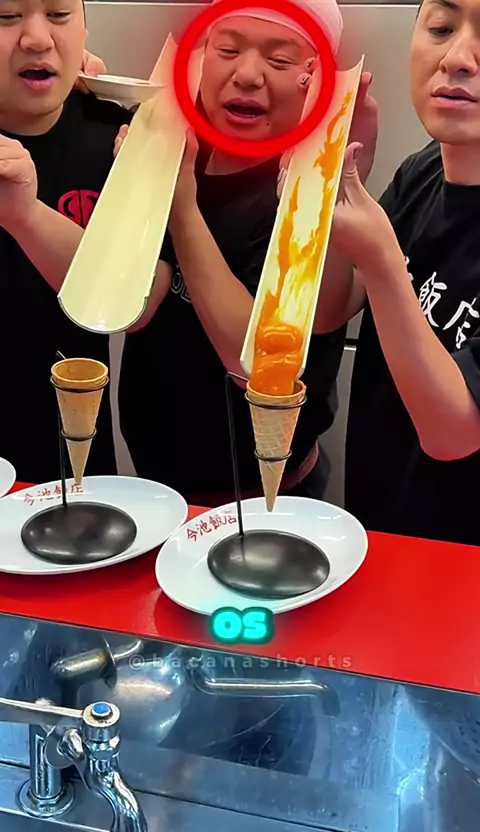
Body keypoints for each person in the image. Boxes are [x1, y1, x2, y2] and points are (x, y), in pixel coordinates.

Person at [118, 0, 349, 505]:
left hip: (265, 494)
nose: (246, 74)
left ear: (314, 79)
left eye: (279, 59)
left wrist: (182, 211)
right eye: (227, 50)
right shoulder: (175, 147)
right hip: (156, 481)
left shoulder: (311, 193)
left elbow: (257, 364)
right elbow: (138, 299)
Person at [305, 0, 480, 546]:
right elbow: (331, 308)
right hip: (383, 532)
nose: (457, 58)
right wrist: (336, 177)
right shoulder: (421, 171)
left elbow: (453, 432)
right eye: (441, 28)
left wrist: (382, 261)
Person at [0, 0, 141, 483]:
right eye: (6, 17)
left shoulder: (117, 136)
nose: (37, 38)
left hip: (76, 457)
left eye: (59, 15)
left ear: (84, 30)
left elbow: (134, 304)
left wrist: (26, 215)